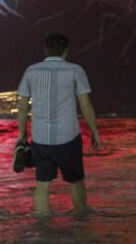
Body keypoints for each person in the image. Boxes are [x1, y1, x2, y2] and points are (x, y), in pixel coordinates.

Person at [15, 33, 101, 218]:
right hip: (68, 138)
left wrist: (21, 135)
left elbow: (22, 106)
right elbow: (85, 104)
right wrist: (94, 131)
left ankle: (42, 227)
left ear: (45, 49)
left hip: (40, 139)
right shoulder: (75, 70)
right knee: (76, 182)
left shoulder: (31, 71)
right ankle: (80, 222)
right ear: (66, 51)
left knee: (42, 184)